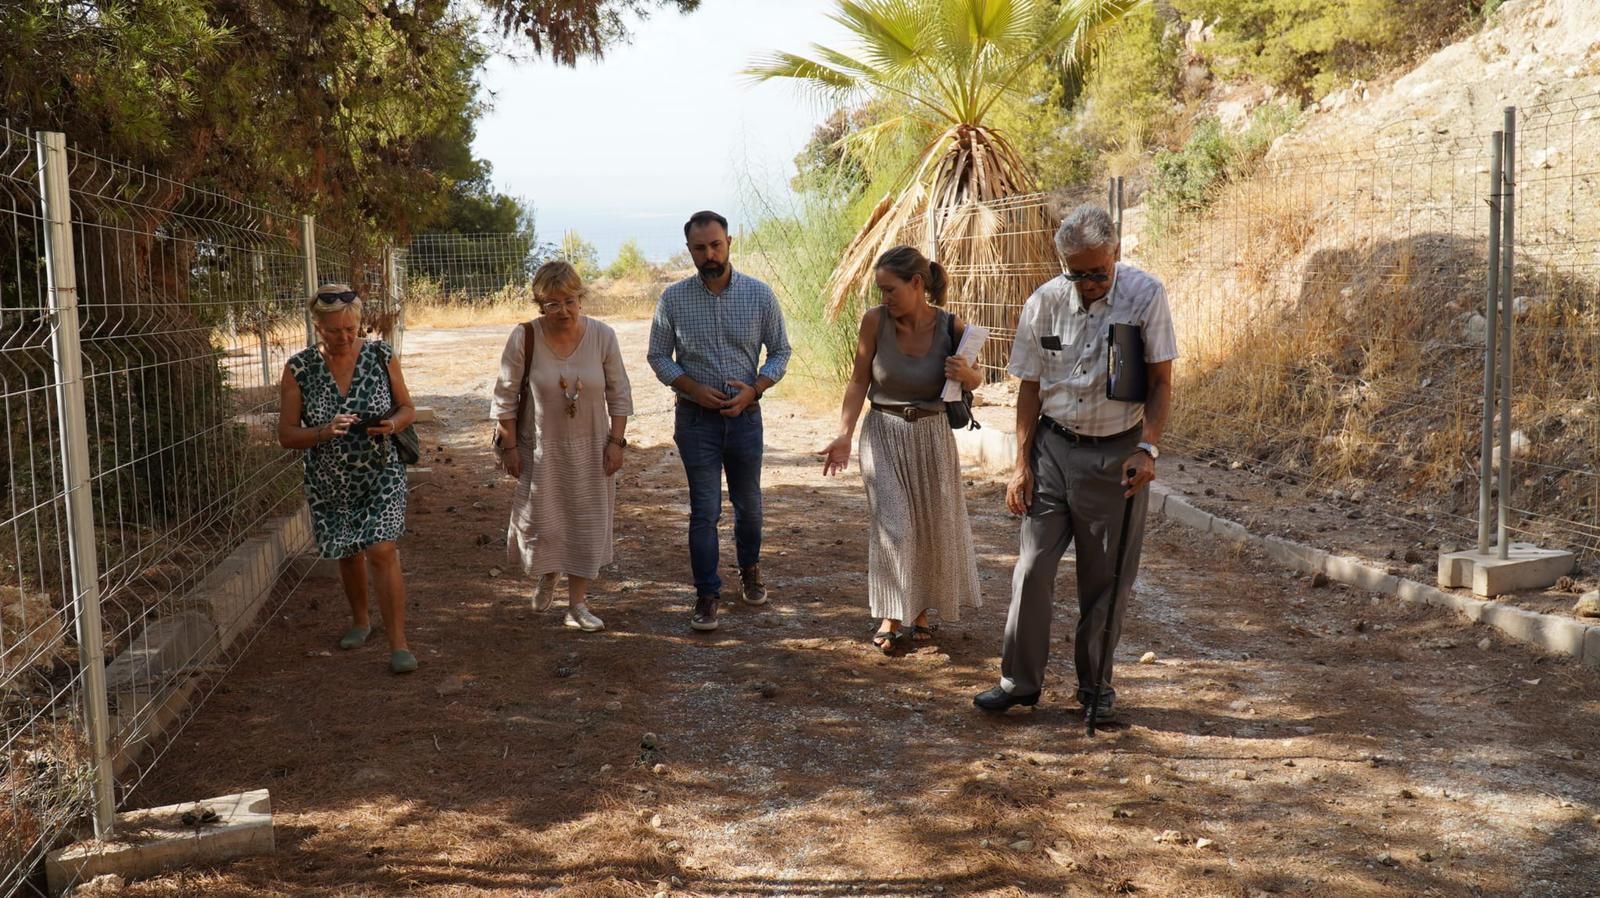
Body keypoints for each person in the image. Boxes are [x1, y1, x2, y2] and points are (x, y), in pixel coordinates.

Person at [973, 205, 1177, 721]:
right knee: (1031, 569)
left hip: (1116, 454)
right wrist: (1022, 464)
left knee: (1104, 580)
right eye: (1076, 273)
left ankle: (1095, 691)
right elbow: (1029, 387)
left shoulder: (1146, 296)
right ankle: (1019, 683)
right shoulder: (1044, 302)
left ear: (1116, 254)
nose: (1088, 284)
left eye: (1098, 272)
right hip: (1053, 450)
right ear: (1062, 262)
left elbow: (1160, 383)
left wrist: (1147, 447)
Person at [819, 246, 982, 654]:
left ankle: (921, 612)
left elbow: (975, 380)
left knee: (928, 526)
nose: (884, 298)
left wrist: (969, 375)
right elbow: (858, 382)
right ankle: (891, 614)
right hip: (884, 433)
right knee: (895, 525)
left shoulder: (952, 326)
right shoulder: (874, 322)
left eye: (890, 290)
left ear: (916, 284)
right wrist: (843, 434)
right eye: (880, 291)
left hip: (931, 436)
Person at [647, 210, 791, 632]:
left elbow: (781, 350)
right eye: (699, 248)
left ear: (729, 241)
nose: (709, 254)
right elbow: (657, 355)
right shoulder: (673, 300)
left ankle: (750, 570)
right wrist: (691, 388)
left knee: (749, 506)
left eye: (715, 245)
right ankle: (706, 594)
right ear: (689, 250)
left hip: (746, 418)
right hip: (696, 421)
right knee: (704, 511)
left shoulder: (760, 295)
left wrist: (756, 388)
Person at [278, 284, 419, 674]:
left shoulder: (381, 355)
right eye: (334, 330)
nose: (344, 337)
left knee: (382, 550)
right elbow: (287, 434)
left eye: (351, 330)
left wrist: (391, 424)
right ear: (317, 327)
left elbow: (408, 407)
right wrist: (324, 431)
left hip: (381, 472)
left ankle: (399, 645)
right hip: (330, 478)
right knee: (347, 550)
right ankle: (361, 621)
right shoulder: (299, 368)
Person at [491, 260, 633, 632]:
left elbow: (620, 393)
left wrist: (616, 443)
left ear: (581, 298)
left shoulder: (603, 336)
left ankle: (578, 605)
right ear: (540, 305)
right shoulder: (525, 337)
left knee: (587, 524)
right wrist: (509, 448)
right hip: (540, 447)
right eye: (552, 304)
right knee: (542, 522)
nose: (563, 311)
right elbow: (504, 398)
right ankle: (548, 571)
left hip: (592, 448)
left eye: (569, 301)